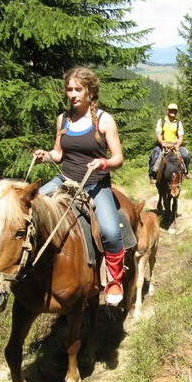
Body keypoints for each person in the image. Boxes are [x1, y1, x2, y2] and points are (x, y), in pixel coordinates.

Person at [34, 66, 126, 306]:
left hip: (95, 184)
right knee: (30, 208)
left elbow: (118, 158)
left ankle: (115, 279)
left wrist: (103, 162)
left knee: (110, 231)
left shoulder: (104, 120)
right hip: (64, 180)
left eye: (78, 89)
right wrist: (47, 155)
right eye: (69, 89)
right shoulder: (63, 119)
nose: (72, 94)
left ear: (90, 91)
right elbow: (59, 153)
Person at [148, 103, 191, 182]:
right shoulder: (161, 121)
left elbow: (181, 136)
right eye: (171, 110)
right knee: (155, 155)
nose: (173, 112)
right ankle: (153, 174)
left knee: (185, 155)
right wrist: (162, 143)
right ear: (167, 111)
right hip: (163, 144)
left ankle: (186, 171)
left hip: (175, 144)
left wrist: (177, 145)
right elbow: (158, 134)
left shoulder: (178, 123)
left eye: (175, 111)